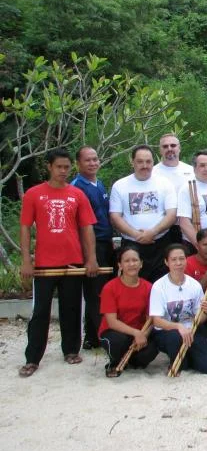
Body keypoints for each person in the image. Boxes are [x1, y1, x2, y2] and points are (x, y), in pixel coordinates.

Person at [19, 148, 99, 378]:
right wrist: (26, 260)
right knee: (40, 311)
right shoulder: (34, 194)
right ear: (49, 167)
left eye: (67, 167)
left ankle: (71, 350)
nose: (63, 171)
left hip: (72, 263)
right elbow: (25, 228)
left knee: (72, 308)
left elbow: (87, 228)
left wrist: (91, 258)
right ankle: (33, 357)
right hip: (44, 263)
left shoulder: (77, 194)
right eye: (59, 167)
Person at [109, 145, 177, 283]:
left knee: (160, 285)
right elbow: (115, 216)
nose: (145, 165)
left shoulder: (165, 183)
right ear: (132, 162)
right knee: (133, 285)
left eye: (148, 161)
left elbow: (172, 214)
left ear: (153, 162)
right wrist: (136, 235)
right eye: (140, 161)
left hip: (160, 244)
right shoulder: (120, 185)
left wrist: (152, 232)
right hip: (131, 244)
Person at [150, 244, 207, 375]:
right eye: (174, 259)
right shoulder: (159, 286)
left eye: (181, 259)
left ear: (186, 260)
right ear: (166, 262)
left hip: (191, 330)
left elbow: (199, 319)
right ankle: (179, 359)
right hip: (168, 332)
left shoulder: (194, 285)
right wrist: (178, 327)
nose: (178, 263)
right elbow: (157, 321)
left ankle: (186, 356)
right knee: (175, 338)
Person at [71, 145, 114, 351]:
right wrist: (90, 256)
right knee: (96, 294)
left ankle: (91, 337)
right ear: (78, 164)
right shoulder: (77, 187)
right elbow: (79, 224)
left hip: (106, 242)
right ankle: (100, 337)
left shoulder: (99, 184)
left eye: (95, 159)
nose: (93, 163)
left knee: (102, 290)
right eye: (87, 160)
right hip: (92, 245)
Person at [99, 246, 159, 377]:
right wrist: (135, 333)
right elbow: (111, 322)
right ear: (120, 265)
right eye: (126, 261)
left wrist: (143, 334)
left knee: (149, 351)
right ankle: (114, 363)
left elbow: (151, 319)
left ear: (141, 263)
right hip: (116, 332)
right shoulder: (110, 288)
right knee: (118, 342)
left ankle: (129, 360)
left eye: (135, 260)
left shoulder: (149, 287)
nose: (131, 264)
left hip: (140, 331)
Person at [177, 149, 207, 255]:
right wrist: (200, 246)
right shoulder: (187, 189)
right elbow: (184, 222)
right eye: (202, 165)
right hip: (194, 246)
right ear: (194, 168)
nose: (206, 169)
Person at [152, 133, 194, 245]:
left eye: (173, 145)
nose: (169, 148)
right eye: (165, 146)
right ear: (160, 150)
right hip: (163, 229)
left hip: (188, 225)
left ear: (179, 148)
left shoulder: (192, 171)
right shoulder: (152, 173)